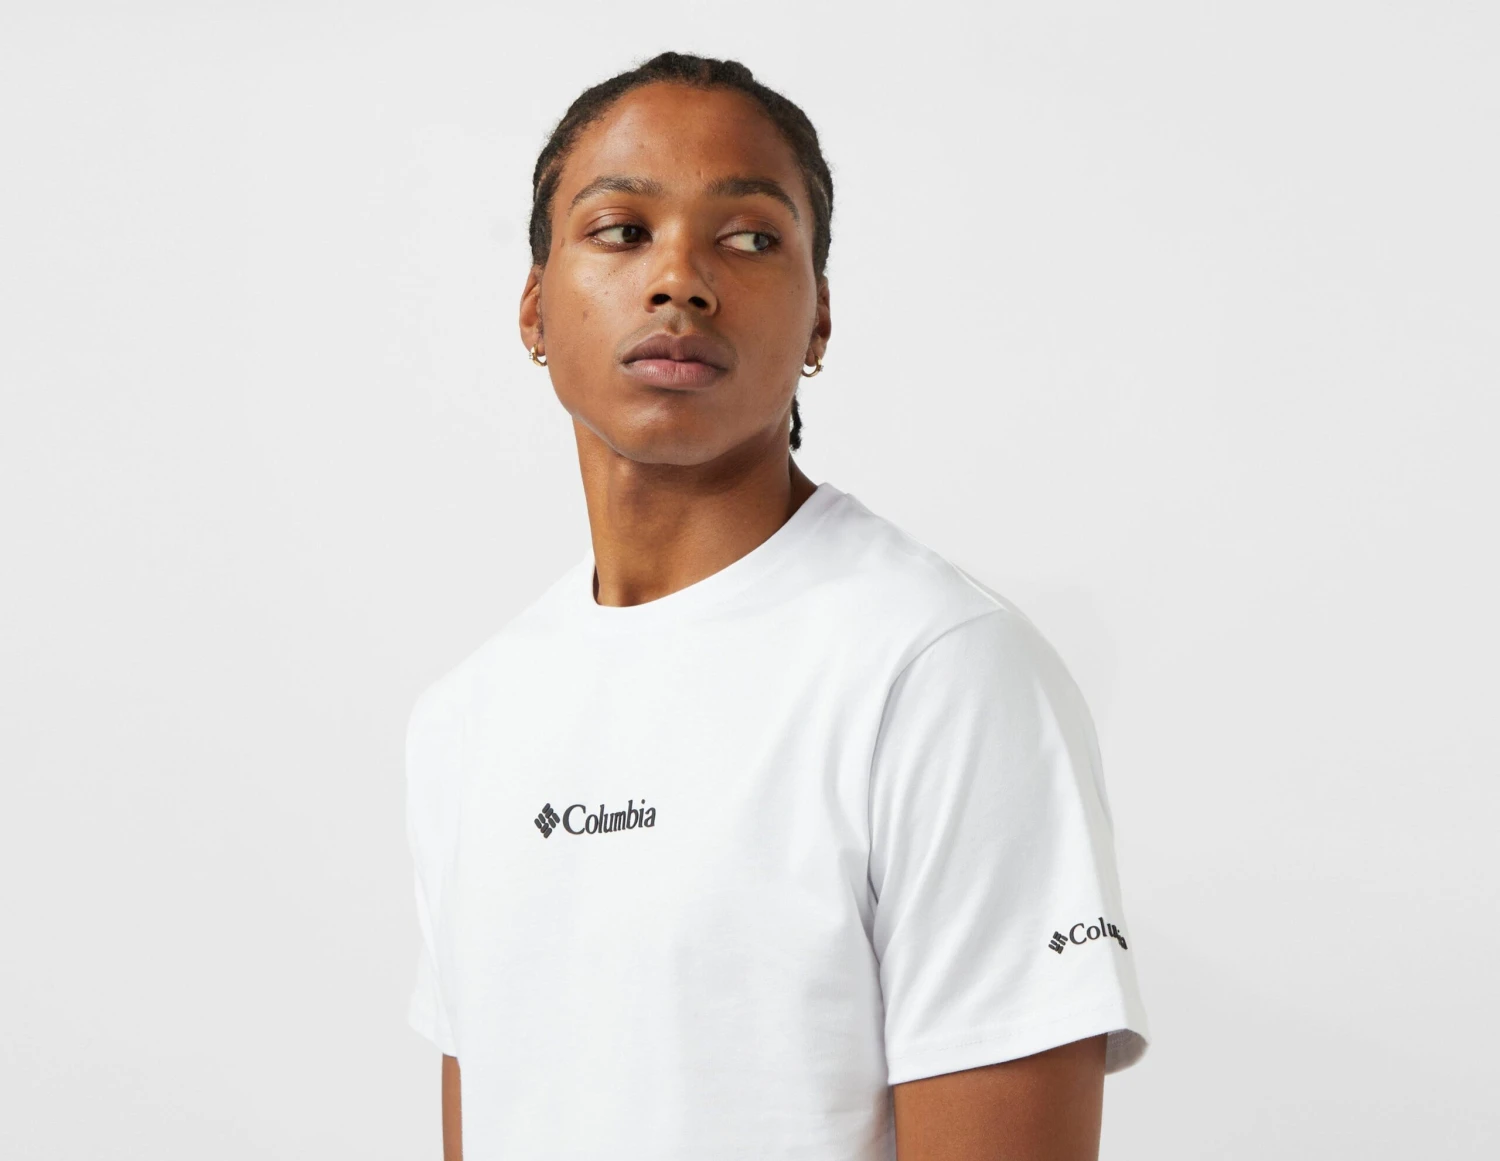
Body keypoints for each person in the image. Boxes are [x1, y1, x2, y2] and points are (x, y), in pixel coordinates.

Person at [404, 51, 1149, 1161]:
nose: (680, 281)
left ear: (820, 321)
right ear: (534, 307)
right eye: (621, 230)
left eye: (750, 239)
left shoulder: (937, 669)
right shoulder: (467, 718)